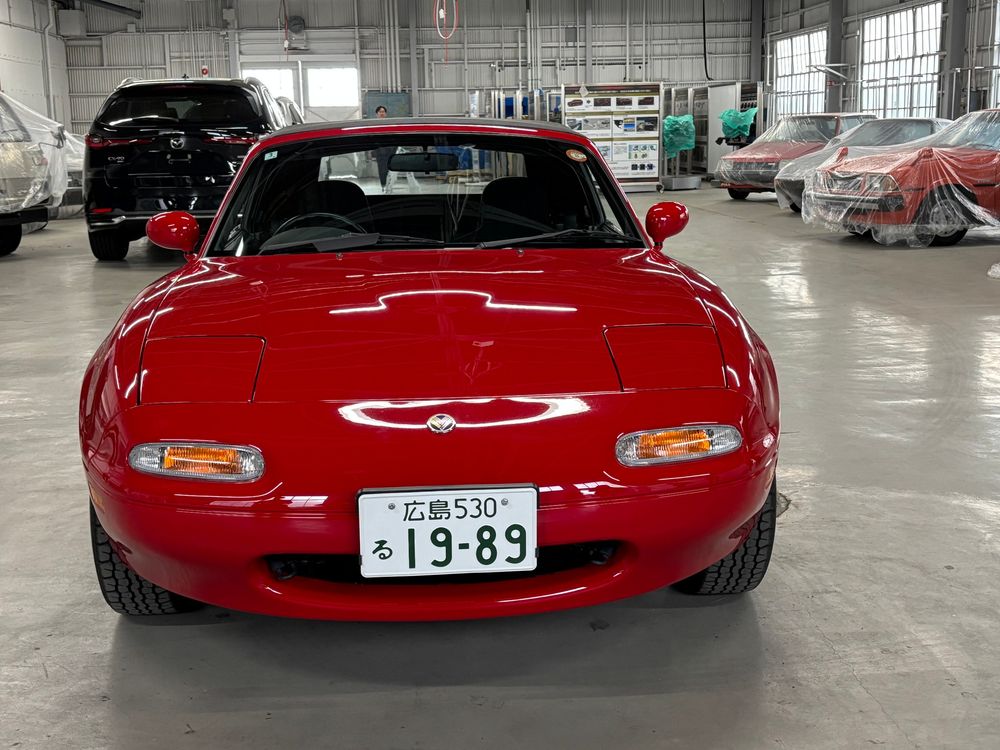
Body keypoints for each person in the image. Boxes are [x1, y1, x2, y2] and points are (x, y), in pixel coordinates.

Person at [373, 106, 394, 188]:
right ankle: (383, 185)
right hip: (379, 151)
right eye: (380, 112)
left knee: (390, 169)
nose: (382, 113)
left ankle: (389, 185)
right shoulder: (373, 124)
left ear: (386, 114)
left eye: (383, 112)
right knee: (381, 169)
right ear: (377, 114)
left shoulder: (389, 124)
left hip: (389, 151)